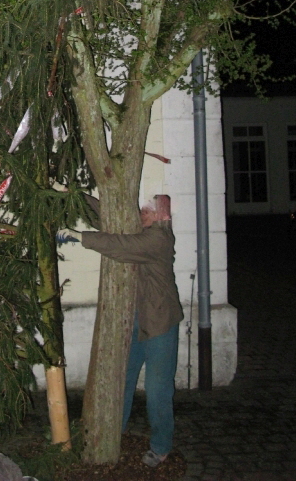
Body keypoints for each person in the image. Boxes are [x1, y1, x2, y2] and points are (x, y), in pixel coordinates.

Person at [81, 194, 183, 468]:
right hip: (135, 321)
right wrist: (77, 197)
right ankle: (117, 432)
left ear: (159, 217)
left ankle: (160, 447)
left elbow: (118, 245)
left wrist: (81, 237)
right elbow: (108, 216)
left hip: (160, 323)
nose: (140, 216)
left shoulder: (158, 239)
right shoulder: (144, 230)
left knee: (157, 388)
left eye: (146, 213)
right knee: (123, 379)